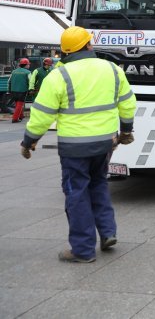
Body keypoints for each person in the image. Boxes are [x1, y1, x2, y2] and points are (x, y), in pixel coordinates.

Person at [19, 26, 137, 263]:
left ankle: (82, 250)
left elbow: (42, 114)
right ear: (89, 46)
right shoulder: (112, 69)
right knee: (99, 185)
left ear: (64, 51)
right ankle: (108, 233)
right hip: (105, 143)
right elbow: (127, 103)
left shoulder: (59, 76)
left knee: (77, 194)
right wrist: (125, 130)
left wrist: (29, 142)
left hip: (75, 148)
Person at [9, 58, 32, 123]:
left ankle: (21, 116)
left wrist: (9, 90)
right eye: (28, 64)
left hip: (13, 90)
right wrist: (31, 90)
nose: (29, 66)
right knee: (20, 104)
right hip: (22, 90)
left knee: (17, 104)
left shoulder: (13, 71)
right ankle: (15, 118)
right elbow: (31, 82)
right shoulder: (28, 72)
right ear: (26, 65)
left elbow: (9, 81)